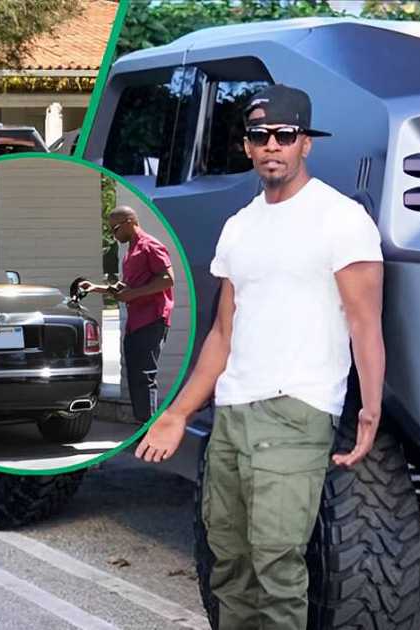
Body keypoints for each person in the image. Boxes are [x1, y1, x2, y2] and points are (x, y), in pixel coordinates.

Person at [135, 85, 386, 629]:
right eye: (259, 136)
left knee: (277, 564)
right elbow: (223, 333)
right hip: (232, 413)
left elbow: (366, 323)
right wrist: (178, 415)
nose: (272, 146)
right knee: (229, 562)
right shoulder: (240, 226)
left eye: (285, 135)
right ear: (247, 147)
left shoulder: (340, 219)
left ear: (305, 144)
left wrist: (369, 409)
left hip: (296, 410)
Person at [81, 205, 175, 422]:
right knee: (134, 376)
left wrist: (134, 295)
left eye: (115, 229)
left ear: (130, 222)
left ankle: (148, 430)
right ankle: (142, 426)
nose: (113, 235)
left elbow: (167, 278)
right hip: (136, 321)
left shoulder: (150, 246)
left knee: (145, 377)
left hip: (152, 318)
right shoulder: (131, 250)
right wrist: (96, 287)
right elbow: (127, 286)